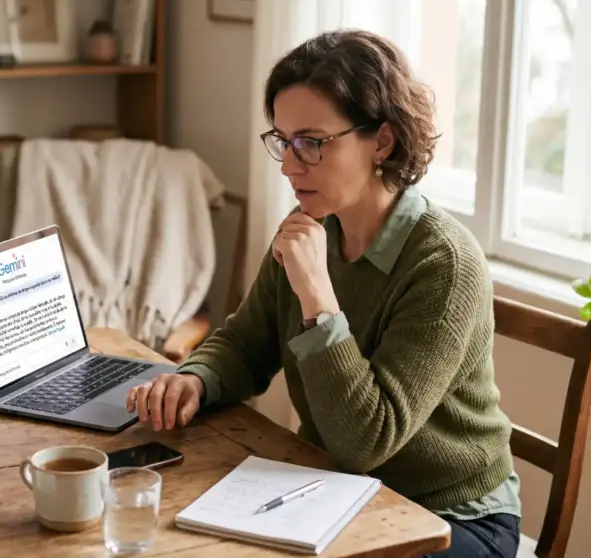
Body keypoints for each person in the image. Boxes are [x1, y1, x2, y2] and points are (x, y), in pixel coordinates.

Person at [126, 29, 521, 558]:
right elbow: (246, 342)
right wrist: (196, 379)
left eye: (311, 143)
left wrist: (317, 296)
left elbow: (367, 440)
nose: (290, 166)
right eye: (282, 142)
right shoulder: (309, 224)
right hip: (335, 490)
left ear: (381, 140)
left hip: (449, 516)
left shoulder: (444, 263)